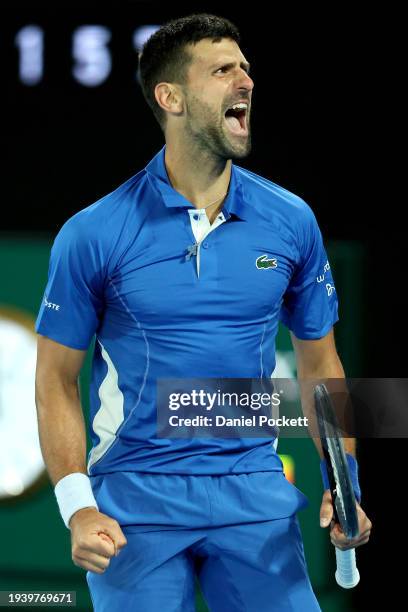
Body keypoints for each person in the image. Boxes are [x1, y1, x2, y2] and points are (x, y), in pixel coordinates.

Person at [35, 13, 372, 612]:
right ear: (171, 98)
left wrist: (343, 486)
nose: (245, 80)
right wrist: (77, 507)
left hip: (254, 494)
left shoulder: (292, 220)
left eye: (246, 68)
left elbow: (321, 365)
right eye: (223, 70)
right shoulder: (92, 233)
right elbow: (55, 380)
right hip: (133, 505)